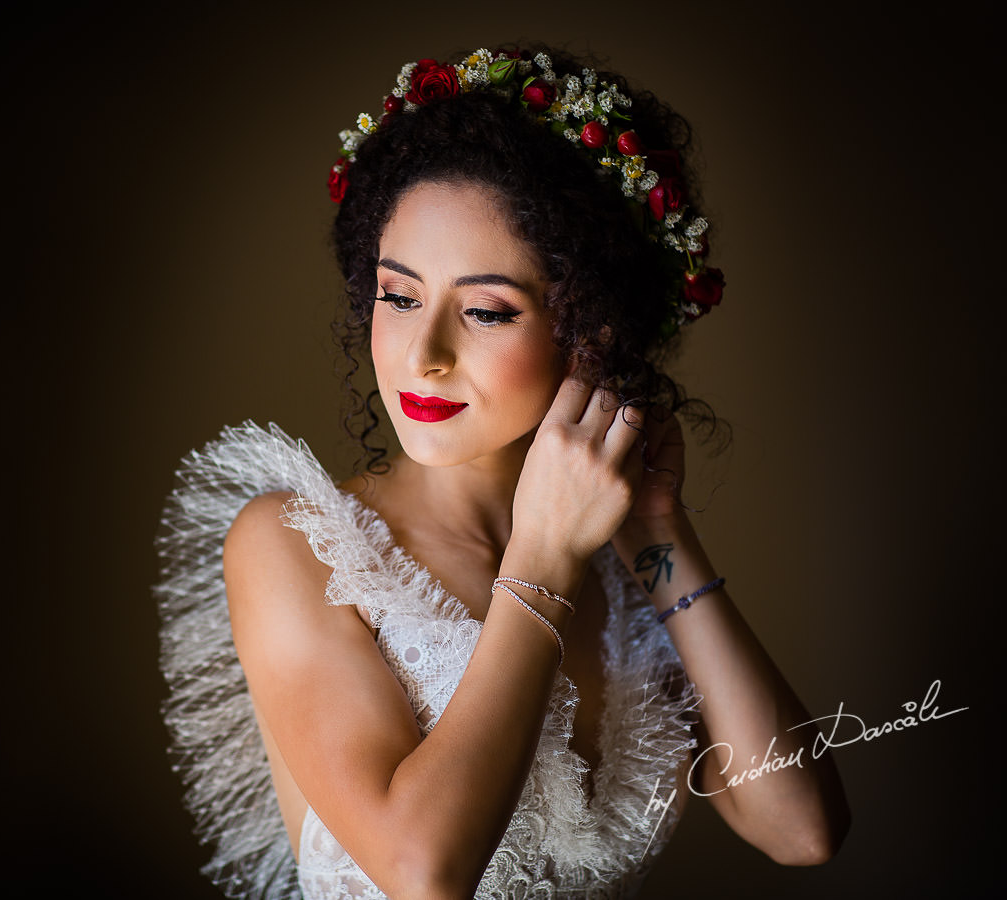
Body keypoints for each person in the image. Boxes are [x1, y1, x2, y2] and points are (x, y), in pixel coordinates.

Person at [155, 44, 849, 898]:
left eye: (485, 311)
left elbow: (802, 828)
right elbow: (423, 873)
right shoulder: (301, 547)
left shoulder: (629, 568)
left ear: (591, 332)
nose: (425, 355)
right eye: (399, 295)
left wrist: (663, 534)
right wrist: (542, 562)